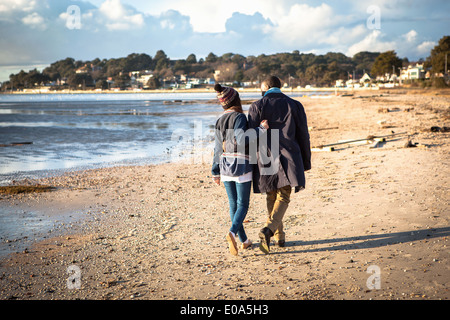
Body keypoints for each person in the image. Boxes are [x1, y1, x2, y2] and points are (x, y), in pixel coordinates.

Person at [247, 76, 311, 254]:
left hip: (265, 153)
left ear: (266, 87)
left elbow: (251, 137)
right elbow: (304, 135)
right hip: (289, 153)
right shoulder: (295, 105)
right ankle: (270, 231)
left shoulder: (256, 106)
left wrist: (252, 165)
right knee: (283, 195)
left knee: (271, 194)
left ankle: (279, 237)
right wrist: (305, 161)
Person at [212, 83, 269, 256]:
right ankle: (231, 232)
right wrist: (261, 129)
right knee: (243, 204)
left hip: (225, 166)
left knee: (233, 204)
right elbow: (242, 138)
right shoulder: (239, 117)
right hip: (241, 165)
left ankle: (244, 241)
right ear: (236, 100)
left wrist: (215, 171)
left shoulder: (219, 120)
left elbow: (217, 149)